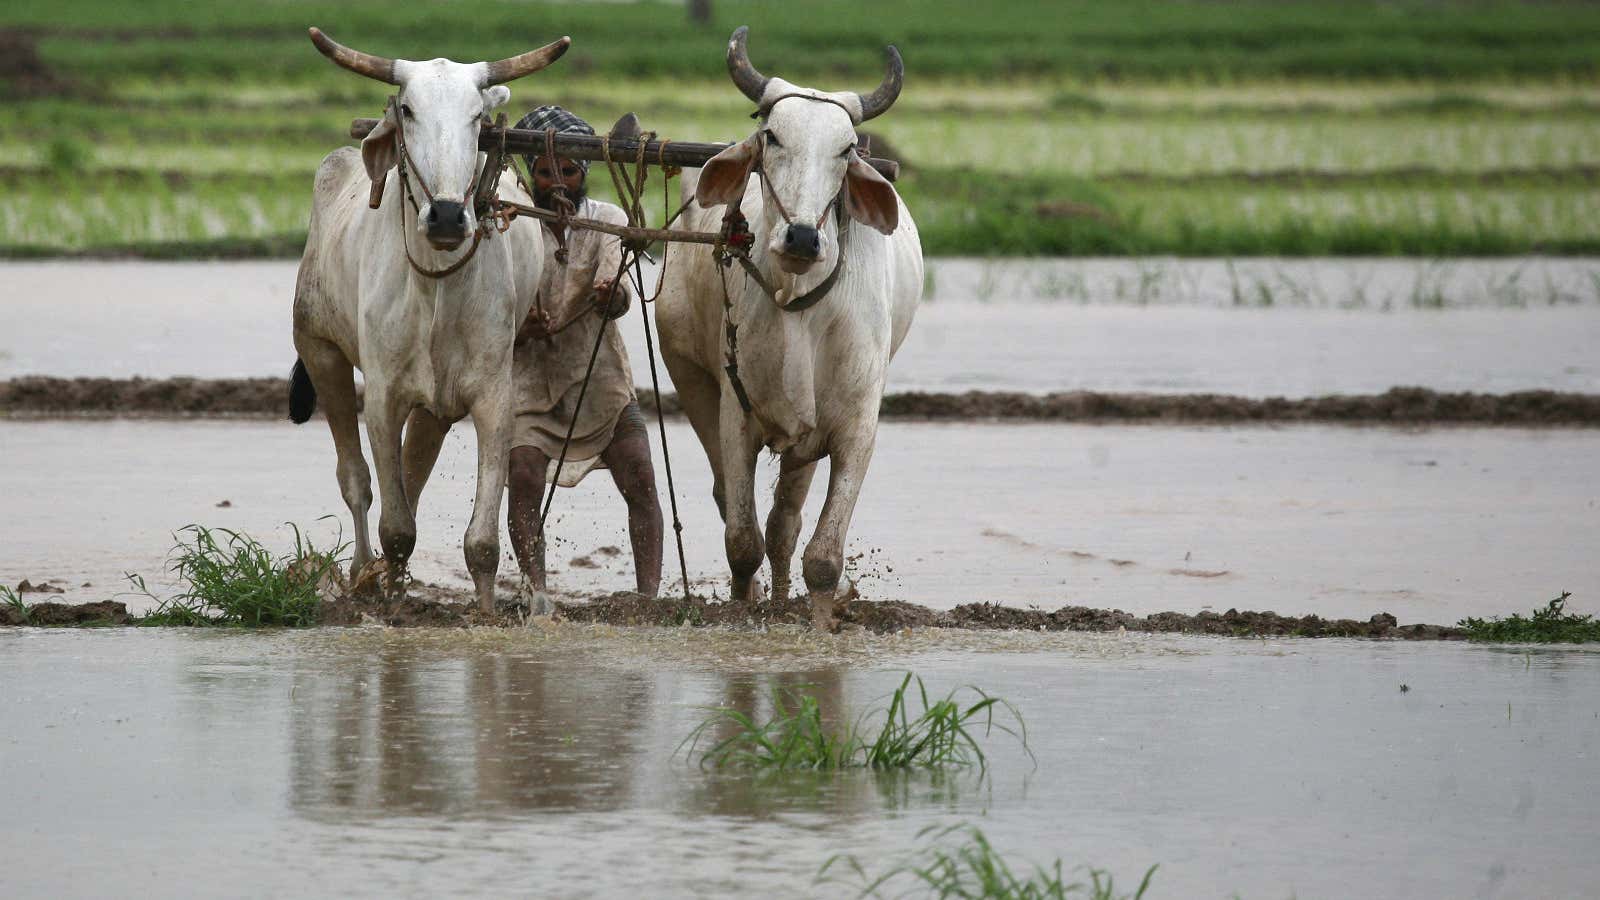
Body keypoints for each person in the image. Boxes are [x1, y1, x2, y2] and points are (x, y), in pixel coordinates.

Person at [507, 105, 662, 607]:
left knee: (639, 473)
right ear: (530, 175)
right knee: (524, 474)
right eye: (547, 172)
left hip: (601, 376)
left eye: (568, 172)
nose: (557, 182)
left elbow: (619, 295)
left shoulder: (609, 221)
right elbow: (486, 312)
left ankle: (648, 597)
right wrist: (517, 330)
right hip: (530, 380)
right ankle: (537, 593)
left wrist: (609, 295)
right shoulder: (509, 226)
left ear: (583, 175)